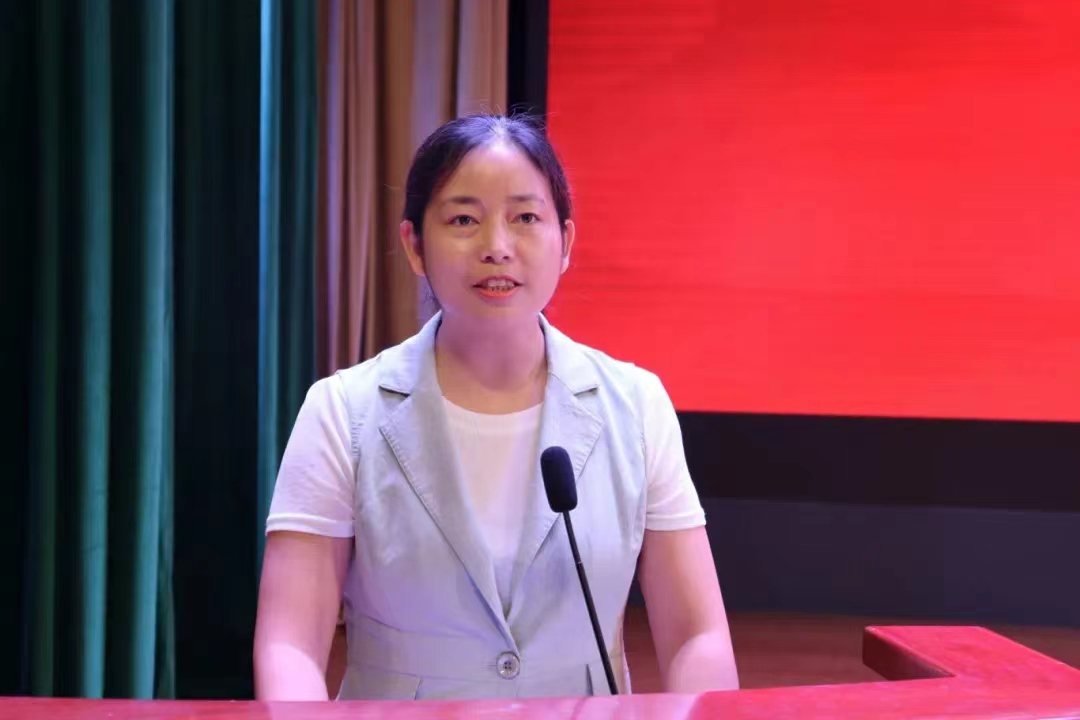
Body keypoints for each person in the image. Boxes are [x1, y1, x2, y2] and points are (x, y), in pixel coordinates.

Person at [253, 113, 739, 701]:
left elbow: (695, 636)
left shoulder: (636, 407)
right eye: (464, 220)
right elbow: (290, 645)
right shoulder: (341, 412)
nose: (497, 248)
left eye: (525, 218)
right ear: (414, 245)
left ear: (566, 243)